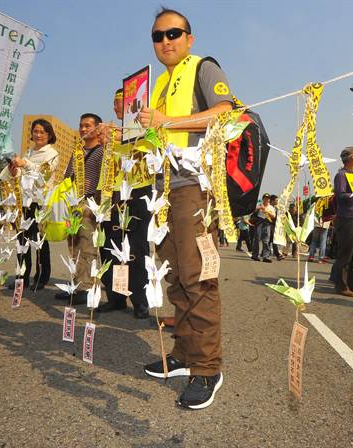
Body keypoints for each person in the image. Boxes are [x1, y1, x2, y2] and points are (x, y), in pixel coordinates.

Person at [139, 7, 233, 409]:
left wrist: (167, 123)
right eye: (158, 36)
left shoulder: (204, 68)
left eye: (173, 33)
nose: (166, 41)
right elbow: (156, 131)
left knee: (198, 278)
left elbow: (227, 114)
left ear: (189, 38)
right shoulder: (159, 83)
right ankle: (183, 352)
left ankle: (208, 368)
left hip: (196, 187)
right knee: (175, 276)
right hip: (164, 190)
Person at [93, 89, 154, 319]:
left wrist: (127, 135)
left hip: (137, 191)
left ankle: (140, 299)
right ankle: (116, 296)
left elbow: (157, 145)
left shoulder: (147, 128)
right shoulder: (109, 132)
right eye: (116, 103)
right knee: (110, 247)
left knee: (136, 248)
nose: (118, 107)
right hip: (112, 194)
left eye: (122, 102)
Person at [0, 119, 59, 290]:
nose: (38, 135)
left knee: (39, 241)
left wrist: (24, 163)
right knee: (22, 240)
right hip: (24, 202)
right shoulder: (28, 152)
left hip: (40, 202)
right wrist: (14, 170)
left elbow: (43, 175)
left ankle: (41, 276)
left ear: (49, 135)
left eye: (42, 132)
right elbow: (21, 175)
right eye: (35, 131)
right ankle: (22, 276)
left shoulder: (52, 153)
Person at [55, 113, 104, 304]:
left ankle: (87, 287)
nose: (83, 129)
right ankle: (75, 285)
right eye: (81, 125)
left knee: (88, 246)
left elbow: (104, 180)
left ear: (97, 128)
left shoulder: (102, 152)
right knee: (73, 245)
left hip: (90, 204)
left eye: (87, 126)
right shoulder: (76, 152)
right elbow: (68, 177)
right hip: (72, 204)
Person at [332, 146, 353, 297]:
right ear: (352, 157)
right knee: (346, 253)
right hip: (347, 217)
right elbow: (340, 196)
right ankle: (341, 285)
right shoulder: (341, 175)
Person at [251, 193, 276, 262]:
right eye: (265, 198)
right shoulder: (259, 205)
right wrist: (258, 208)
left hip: (267, 223)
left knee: (266, 240)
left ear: (269, 200)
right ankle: (255, 255)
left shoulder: (271, 207)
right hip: (259, 222)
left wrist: (266, 211)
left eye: (268, 198)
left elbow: (273, 216)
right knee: (257, 239)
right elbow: (253, 211)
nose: (266, 200)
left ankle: (266, 256)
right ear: (263, 199)